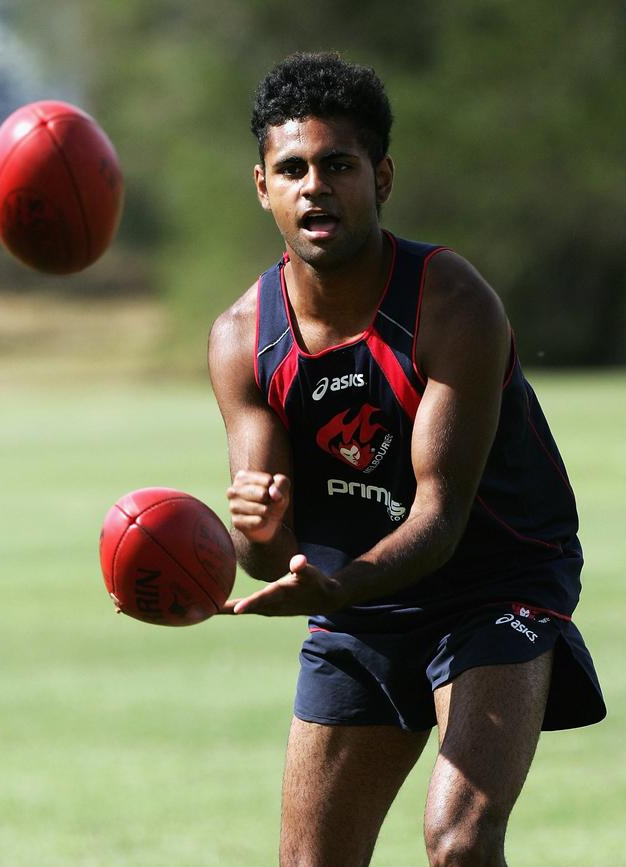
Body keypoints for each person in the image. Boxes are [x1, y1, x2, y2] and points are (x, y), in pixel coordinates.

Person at [207, 52, 606, 867]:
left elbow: (440, 515)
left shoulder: (451, 305)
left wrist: (335, 581)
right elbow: (263, 551)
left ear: (381, 177)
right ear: (262, 187)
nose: (314, 185)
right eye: (292, 168)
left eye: (338, 165)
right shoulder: (243, 337)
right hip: (362, 597)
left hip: (496, 579)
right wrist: (253, 535)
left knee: (459, 841)